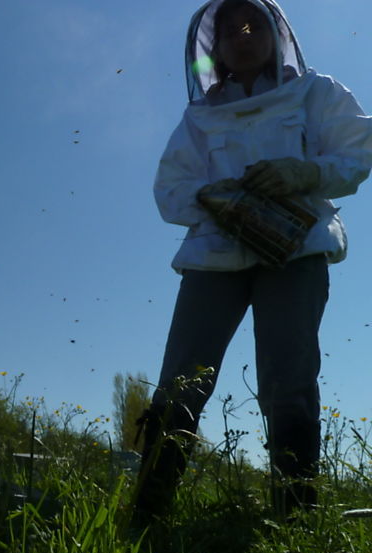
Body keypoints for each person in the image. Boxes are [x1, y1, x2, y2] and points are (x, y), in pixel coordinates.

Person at [134, 0, 372, 523]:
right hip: (214, 257)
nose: (244, 35)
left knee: (289, 382)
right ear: (214, 48)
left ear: (276, 34)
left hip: (298, 249)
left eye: (255, 24)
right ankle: (146, 519)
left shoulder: (316, 93)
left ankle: (296, 523)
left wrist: (304, 173)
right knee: (181, 382)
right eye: (230, 29)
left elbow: (357, 152)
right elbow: (169, 190)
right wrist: (211, 195)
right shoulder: (199, 118)